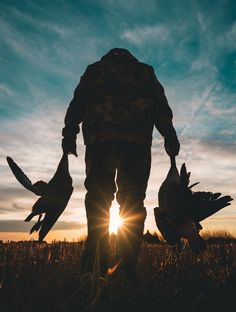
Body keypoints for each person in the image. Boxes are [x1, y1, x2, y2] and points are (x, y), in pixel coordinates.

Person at [61, 48, 180, 276]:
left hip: (99, 142)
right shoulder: (145, 72)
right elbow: (161, 109)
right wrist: (170, 136)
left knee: (98, 197)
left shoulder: (95, 71)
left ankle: (95, 264)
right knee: (133, 202)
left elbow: (76, 105)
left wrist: (69, 135)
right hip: (136, 144)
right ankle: (127, 267)